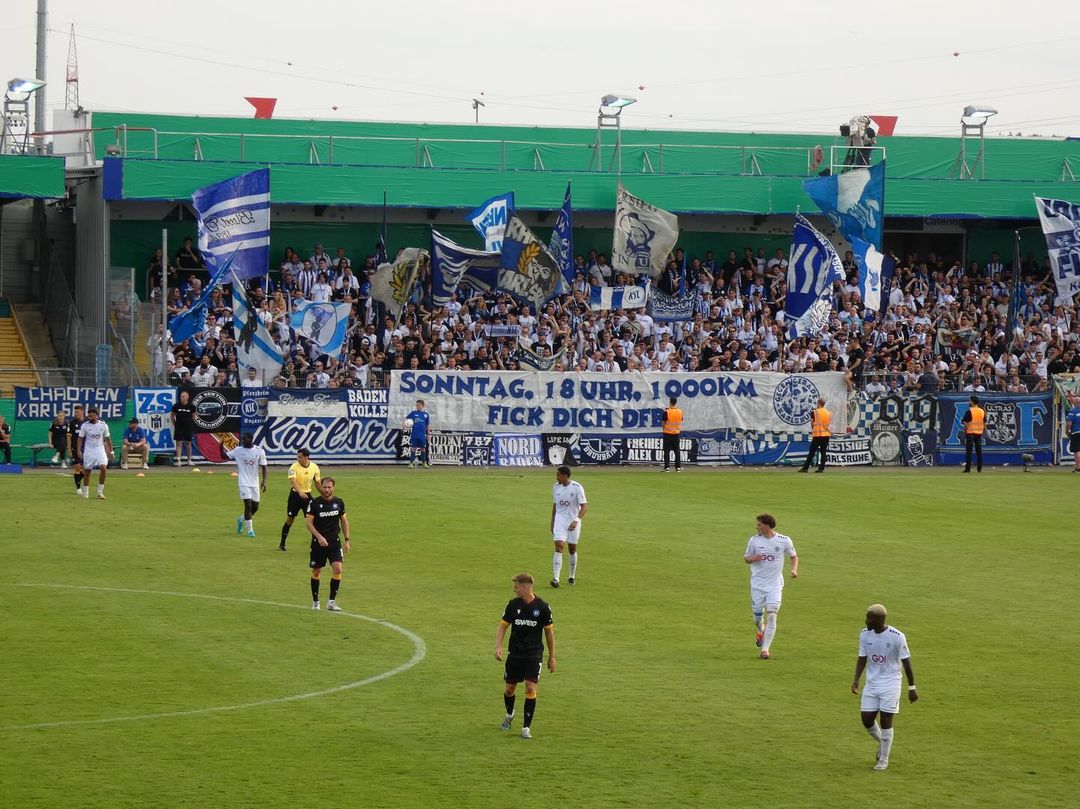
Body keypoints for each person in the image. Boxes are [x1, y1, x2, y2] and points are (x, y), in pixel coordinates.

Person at [851, 604, 918, 771]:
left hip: (891, 682)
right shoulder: (864, 634)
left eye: (869, 617)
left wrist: (912, 687)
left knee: (886, 719)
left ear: (879, 619)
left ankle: (883, 759)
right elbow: (862, 658)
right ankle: (883, 743)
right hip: (872, 682)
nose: (866, 620)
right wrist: (856, 679)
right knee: (866, 719)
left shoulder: (897, 637)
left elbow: (906, 662)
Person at [494, 572, 556, 739]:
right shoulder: (513, 605)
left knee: (530, 687)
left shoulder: (543, 607)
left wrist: (552, 657)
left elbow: (549, 633)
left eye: (516, 587)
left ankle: (526, 728)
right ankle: (509, 714)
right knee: (509, 689)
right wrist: (498, 646)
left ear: (526, 587)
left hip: (534, 654)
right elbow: (502, 627)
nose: (514, 590)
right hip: (515, 654)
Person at [743, 513, 798, 659]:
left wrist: (793, 570)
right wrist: (754, 558)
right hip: (757, 584)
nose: (757, 526)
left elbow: (793, 556)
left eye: (759, 524)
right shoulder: (754, 541)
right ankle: (761, 629)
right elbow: (746, 558)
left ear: (767, 526)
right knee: (757, 618)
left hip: (774, 585)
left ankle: (765, 650)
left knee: (772, 615)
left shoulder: (784, 540)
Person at [305, 477, 351, 611]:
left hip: (334, 542)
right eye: (324, 487)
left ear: (333, 488)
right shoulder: (314, 503)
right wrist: (319, 537)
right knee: (317, 571)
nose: (326, 490)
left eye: (329, 487)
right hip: (318, 543)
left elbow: (344, 520)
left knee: (338, 569)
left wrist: (347, 539)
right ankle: (315, 602)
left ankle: (331, 602)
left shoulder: (339, 502)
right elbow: (308, 523)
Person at [549, 465, 587, 588]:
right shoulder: (555, 487)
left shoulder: (577, 488)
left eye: (558, 475)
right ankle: (556, 579)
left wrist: (576, 520)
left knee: (572, 548)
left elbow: (584, 507)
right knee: (559, 546)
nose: (556, 477)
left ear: (565, 476)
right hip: (560, 520)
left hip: (573, 521)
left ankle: (571, 576)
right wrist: (553, 521)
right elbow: (555, 506)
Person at [225, 432, 268, 537]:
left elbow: (264, 467)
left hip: (254, 483)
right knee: (248, 506)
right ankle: (250, 531)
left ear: (251, 439)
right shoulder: (238, 450)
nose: (242, 441)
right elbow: (224, 456)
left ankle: (241, 519)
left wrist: (264, 481)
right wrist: (220, 445)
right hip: (243, 482)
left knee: (255, 507)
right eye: (242, 440)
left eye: (244, 439)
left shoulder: (259, 451)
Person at [280, 448, 320, 552]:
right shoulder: (293, 467)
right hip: (295, 496)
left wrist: (324, 494)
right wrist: (300, 492)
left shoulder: (314, 467)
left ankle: (315, 545)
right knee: (290, 519)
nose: (297, 459)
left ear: (306, 457)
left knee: (312, 521)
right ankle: (282, 543)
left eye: (300, 457)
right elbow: (293, 482)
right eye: (297, 457)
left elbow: (318, 483)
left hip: (307, 497)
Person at [77, 407, 113, 499]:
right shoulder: (85, 425)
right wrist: (79, 450)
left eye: (92, 416)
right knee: (87, 471)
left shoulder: (103, 425)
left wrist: (111, 451)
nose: (90, 418)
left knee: (103, 468)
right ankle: (85, 493)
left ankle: (100, 492)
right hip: (89, 450)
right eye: (89, 416)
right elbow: (80, 438)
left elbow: (108, 439)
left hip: (100, 449)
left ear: (97, 416)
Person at [800, 397, 832, 473]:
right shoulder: (829, 413)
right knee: (823, 452)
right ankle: (821, 468)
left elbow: (812, 423)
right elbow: (828, 424)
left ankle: (805, 468)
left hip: (817, 435)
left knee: (812, 452)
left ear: (818, 404)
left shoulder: (815, 412)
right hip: (826, 435)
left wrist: (814, 427)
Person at [170, 389, 196, 466]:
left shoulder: (191, 406)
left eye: (183, 396)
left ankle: (189, 460)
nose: (181, 398)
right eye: (181, 396)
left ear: (187, 397)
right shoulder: (176, 405)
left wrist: (189, 423)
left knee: (188, 443)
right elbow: (172, 415)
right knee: (179, 443)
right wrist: (175, 424)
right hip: (179, 427)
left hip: (188, 428)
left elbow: (194, 416)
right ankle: (178, 460)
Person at [961, 394, 985, 473]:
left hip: (970, 433)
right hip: (979, 433)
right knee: (979, 452)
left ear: (972, 402)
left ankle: (968, 469)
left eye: (969, 400)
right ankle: (979, 468)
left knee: (969, 452)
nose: (969, 402)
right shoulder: (982, 411)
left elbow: (965, 422)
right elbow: (985, 422)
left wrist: (965, 429)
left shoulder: (970, 411)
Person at [405, 398, 431, 468]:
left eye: (418, 405)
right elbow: (406, 419)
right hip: (415, 434)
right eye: (416, 405)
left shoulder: (426, 415)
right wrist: (405, 425)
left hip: (422, 435)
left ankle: (424, 463)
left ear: (422, 406)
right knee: (413, 448)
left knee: (423, 448)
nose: (417, 407)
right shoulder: (413, 413)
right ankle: (411, 463)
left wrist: (428, 434)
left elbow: (428, 425)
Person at [661, 396, 683, 472]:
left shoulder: (666, 412)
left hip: (667, 433)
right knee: (677, 451)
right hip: (676, 433)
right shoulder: (680, 411)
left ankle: (667, 467)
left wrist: (664, 429)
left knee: (667, 451)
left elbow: (663, 423)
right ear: (676, 402)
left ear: (670, 402)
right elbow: (680, 421)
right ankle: (678, 467)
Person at [66, 404, 85, 493]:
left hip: (86, 448)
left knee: (86, 469)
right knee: (77, 467)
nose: (76, 414)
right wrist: (69, 449)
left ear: (82, 412)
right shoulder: (72, 423)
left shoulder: (87, 422)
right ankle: (78, 488)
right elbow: (69, 437)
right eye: (75, 412)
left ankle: (81, 479)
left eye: (77, 412)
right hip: (75, 448)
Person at [1068, 394, 1080, 472]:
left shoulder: (1073, 411)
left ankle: (1078, 468)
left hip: (1076, 432)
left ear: (1075, 403)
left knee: (1077, 450)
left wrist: (1067, 431)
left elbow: (1069, 423)